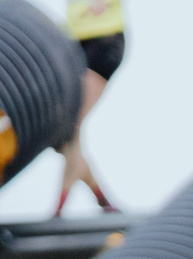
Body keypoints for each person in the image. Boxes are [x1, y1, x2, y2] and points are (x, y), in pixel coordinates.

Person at [56, 0, 125, 215]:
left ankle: (58, 208)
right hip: (76, 44)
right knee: (63, 137)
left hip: (103, 38)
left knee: (71, 127)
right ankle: (103, 200)